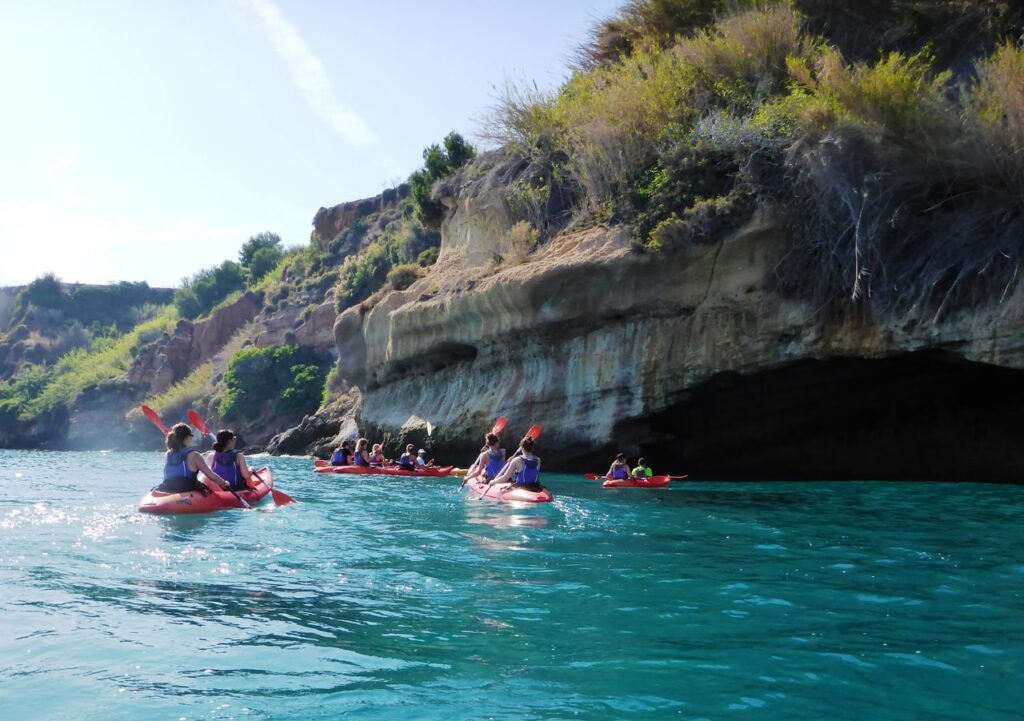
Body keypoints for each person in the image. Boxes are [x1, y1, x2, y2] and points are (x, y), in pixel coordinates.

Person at [158, 423, 230, 494]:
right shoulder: (194, 455)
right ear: (186, 437)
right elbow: (211, 476)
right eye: (191, 435)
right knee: (206, 480)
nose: (192, 437)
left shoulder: (168, 454)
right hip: (186, 489)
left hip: (167, 488)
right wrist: (224, 482)